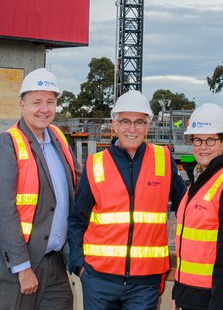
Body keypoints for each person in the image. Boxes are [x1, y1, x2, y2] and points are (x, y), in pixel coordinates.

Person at [0, 67, 81, 310]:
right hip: (11, 265)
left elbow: (80, 186)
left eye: (50, 102)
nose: (44, 109)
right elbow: (2, 210)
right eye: (37, 102)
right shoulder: (6, 143)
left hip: (52, 261)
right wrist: (22, 268)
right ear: (22, 105)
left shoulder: (59, 139)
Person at [68, 89, 187, 310]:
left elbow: (187, 210)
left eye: (139, 122)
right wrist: (80, 266)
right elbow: (77, 220)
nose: (132, 129)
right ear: (114, 124)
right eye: (125, 121)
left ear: (148, 126)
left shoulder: (163, 160)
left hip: (145, 283)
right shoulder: (95, 165)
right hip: (98, 280)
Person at [172, 103, 223, 310]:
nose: (203, 147)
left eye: (210, 140)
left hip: (214, 301)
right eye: (197, 140)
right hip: (190, 297)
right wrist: (178, 296)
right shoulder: (199, 181)